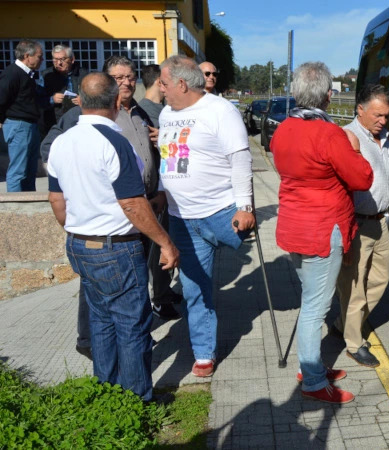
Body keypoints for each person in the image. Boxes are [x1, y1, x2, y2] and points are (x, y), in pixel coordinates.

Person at [47, 72, 180, 402]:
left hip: (80, 243)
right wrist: (165, 242)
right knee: (132, 326)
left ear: (81, 99)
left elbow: (56, 199)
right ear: (115, 101)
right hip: (115, 247)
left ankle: (107, 397)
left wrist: (78, 228)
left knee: (101, 322)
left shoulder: (62, 141)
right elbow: (133, 204)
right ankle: (136, 403)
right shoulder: (115, 141)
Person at [271, 61, 373, 404]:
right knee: (315, 307)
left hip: (293, 224)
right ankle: (313, 380)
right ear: (329, 96)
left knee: (310, 300)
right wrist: (356, 151)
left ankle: (310, 365)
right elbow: (362, 179)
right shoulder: (329, 134)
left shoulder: (284, 128)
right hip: (322, 228)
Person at [158, 55, 255, 377]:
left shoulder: (220, 110)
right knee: (195, 288)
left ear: (182, 84)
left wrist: (246, 207)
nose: (160, 87)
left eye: (164, 82)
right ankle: (203, 354)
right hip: (181, 220)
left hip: (222, 212)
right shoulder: (166, 112)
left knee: (275, 264)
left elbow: (240, 159)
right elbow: (168, 157)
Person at [333, 84, 389, 368]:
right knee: (354, 287)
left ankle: (344, 323)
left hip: (380, 222)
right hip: (356, 223)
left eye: (386, 116)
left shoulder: (381, 137)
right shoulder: (348, 137)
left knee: (380, 280)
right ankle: (353, 343)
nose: (384, 121)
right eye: (378, 115)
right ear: (360, 110)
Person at [0, 40, 44, 192]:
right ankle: (14, 208)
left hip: (30, 124)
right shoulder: (12, 73)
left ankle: (29, 208)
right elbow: (1, 98)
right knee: (18, 171)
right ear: (27, 56)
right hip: (19, 125)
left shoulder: (27, 75)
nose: (42, 60)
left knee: (29, 171)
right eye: (39, 56)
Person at [41, 44, 87, 132]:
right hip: (54, 122)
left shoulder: (84, 74)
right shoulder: (46, 75)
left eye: (62, 59)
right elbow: (36, 100)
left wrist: (83, 100)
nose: (59, 63)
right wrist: (51, 99)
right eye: (55, 59)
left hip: (79, 120)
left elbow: (95, 97)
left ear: (72, 59)